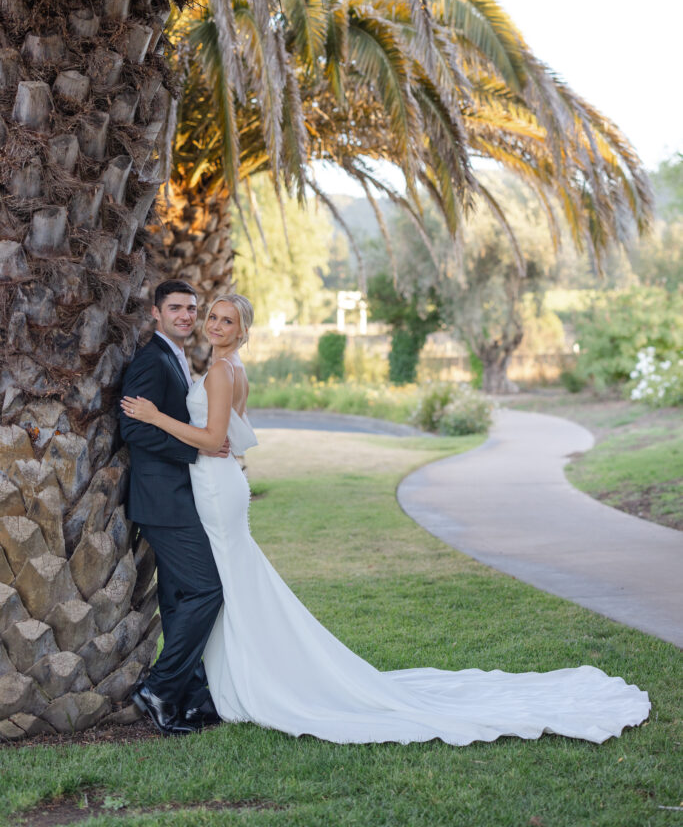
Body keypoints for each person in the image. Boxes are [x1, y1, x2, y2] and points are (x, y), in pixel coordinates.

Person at [121, 293, 650, 746]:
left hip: (215, 488)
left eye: (224, 320)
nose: (213, 325)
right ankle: (214, 685)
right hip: (225, 484)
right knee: (233, 583)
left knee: (226, 584)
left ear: (242, 331)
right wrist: (222, 453)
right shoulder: (234, 371)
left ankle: (208, 685)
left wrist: (156, 415)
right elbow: (238, 434)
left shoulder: (217, 370)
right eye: (210, 317)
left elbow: (214, 440)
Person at [119, 279, 228, 735]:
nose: (186, 315)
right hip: (162, 500)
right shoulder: (151, 359)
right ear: (155, 313)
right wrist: (196, 452)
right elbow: (135, 431)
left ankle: (191, 699)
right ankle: (160, 690)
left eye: (191, 308)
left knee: (180, 597)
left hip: (177, 496)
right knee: (207, 589)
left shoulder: (177, 356)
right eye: (176, 308)